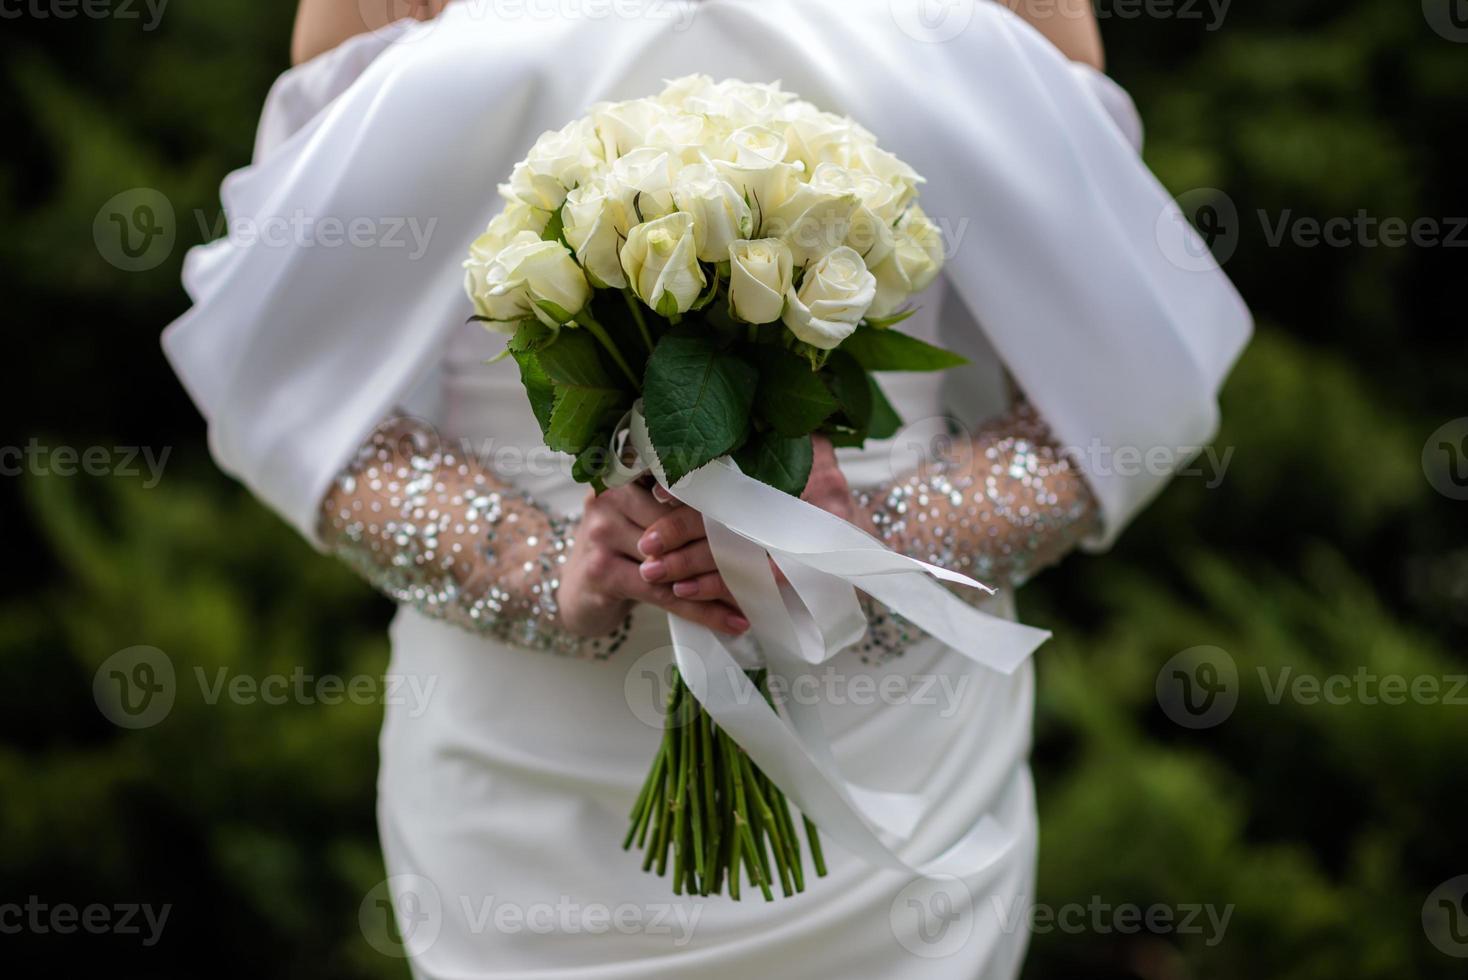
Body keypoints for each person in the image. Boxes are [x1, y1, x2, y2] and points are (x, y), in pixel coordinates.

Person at [164, 2, 1249, 976]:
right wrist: (545, 570)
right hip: (529, 795)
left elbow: (1128, 378)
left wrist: (879, 546)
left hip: (892, 770)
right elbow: (286, 379)